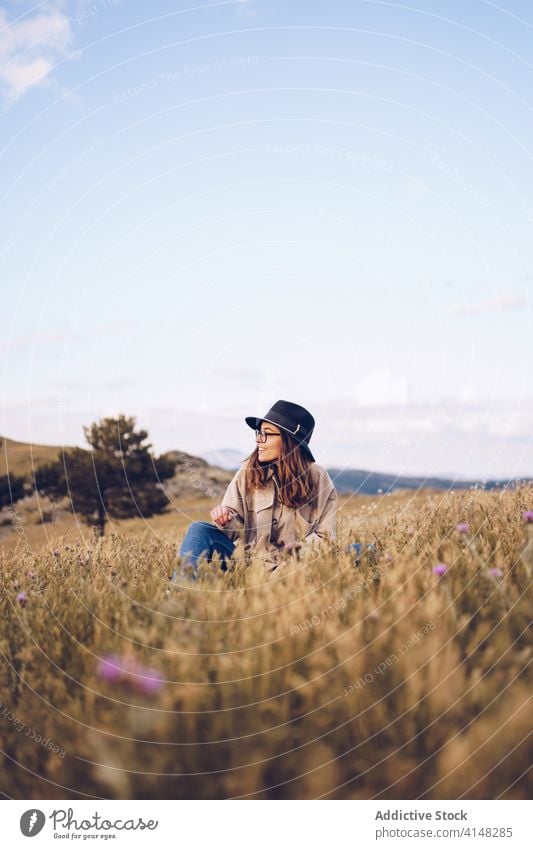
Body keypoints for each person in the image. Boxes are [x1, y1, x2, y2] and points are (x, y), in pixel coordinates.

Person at [172, 399, 337, 581]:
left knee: (359, 550)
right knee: (199, 530)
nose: (259, 439)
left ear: (289, 441)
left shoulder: (318, 478)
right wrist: (226, 520)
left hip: (293, 570)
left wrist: (287, 567)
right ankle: (179, 596)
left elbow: (325, 538)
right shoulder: (247, 473)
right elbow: (233, 531)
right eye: (259, 433)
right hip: (246, 567)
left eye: (267, 434)